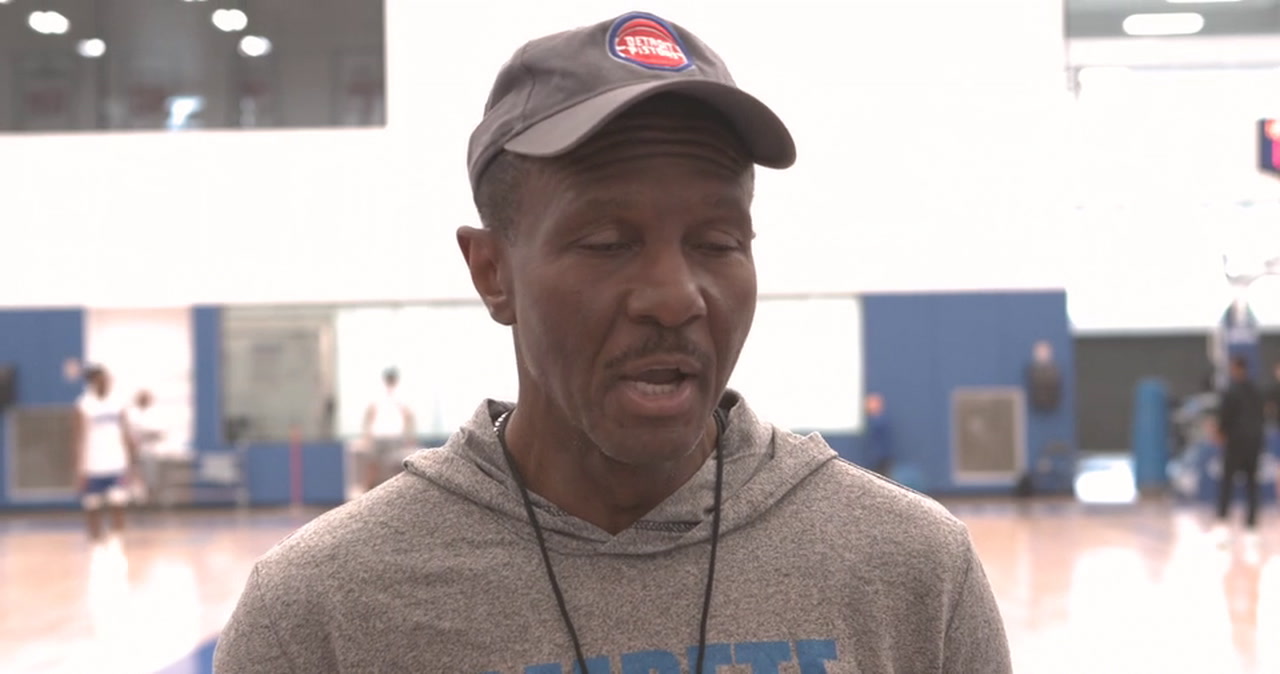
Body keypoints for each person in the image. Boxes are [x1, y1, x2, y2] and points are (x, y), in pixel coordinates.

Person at [214, 12, 1010, 673]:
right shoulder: (322, 612)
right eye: (606, 241)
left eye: (718, 241)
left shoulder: (912, 572)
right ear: (493, 272)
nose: (675, 298)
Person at [73, 365, 138, 541]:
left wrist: (132, 464)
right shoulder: (84, 405)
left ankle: (117, 542)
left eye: (108, 379)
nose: (107, 383)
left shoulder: (118, 403)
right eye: (103, 379)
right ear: (93, 382)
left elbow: (126, 433)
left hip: (116, 463)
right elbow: (78, 439)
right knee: (92, 506)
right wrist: (79, 470)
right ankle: (95, 543)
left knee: (118, 503)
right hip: (93, 466)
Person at [1213, 355, 1266, 548]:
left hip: (1236, 444)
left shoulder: (1230, 391)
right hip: (1254, 444)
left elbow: (1224, 418)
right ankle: (1251, 528)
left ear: (1235, 368)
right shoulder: (1257, 391)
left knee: (1227, 483)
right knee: (1252, 485)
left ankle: (1222, 526)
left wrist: (1219, 432)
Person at [359, 367, 416, 491]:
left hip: (390, 437)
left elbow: (407, 417)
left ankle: (370, 493)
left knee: (384, 468)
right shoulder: (383, 395)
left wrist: (409, 436)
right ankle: (367, 493)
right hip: (384, 436)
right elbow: (408, 417)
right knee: (375, 468)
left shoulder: (397, 395)